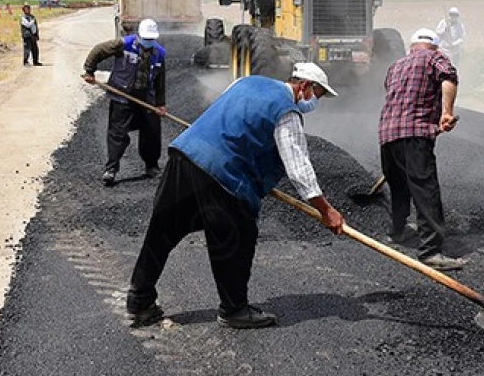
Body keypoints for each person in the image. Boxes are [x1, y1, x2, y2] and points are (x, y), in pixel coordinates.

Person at [125, 62, 345, 329]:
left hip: (184, 156)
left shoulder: (247, 82)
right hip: (222, 173)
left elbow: (227, 116)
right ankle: (234, 309)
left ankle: (140, 300)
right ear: (305, 86)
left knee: (162, 231)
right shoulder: (287, 111)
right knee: (235, 239)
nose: (313, 103)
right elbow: (299, 169)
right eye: (317, 95)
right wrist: (326, 211)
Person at [377, 27, 466, 271]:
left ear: (411, 47)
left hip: (387, 134)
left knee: (399, 187)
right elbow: (448, 76)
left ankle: (397, 231)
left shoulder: (395, 66)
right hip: (415, 135)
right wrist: (446, 112)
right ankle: (430, 252)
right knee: (426, 190)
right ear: (435, 46)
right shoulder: (434, 58)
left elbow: (392, 92)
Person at [82, 19, 167, 186]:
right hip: (122, 94)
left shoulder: (159, 53)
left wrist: (160, 103)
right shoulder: (124, 44)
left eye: (151, 39)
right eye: (146, 39)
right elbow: (98, 50)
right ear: (139, 35)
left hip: (146, 98)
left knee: (152, 132)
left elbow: (160, 80)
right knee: (117, 132)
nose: (148, 42)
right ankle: (111, 169)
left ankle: (151, 166)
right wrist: (89, 71)